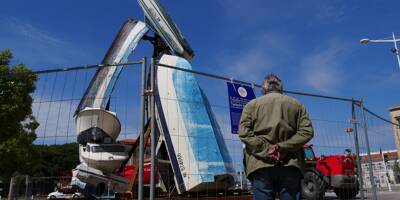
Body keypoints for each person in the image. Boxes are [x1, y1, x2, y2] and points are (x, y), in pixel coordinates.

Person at [239, 74, 314, 200]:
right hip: (290, 163)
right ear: (281, 88)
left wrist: (267, 149)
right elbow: (307, 132)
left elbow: (244, 132)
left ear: (264, 89)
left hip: (259, 164)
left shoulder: (251, 105)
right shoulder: (297, 105)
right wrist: (281, 148)